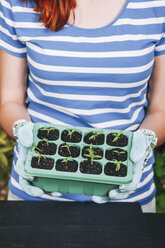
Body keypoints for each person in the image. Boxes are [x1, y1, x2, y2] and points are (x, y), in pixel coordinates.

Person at [0, 0, 165, 212]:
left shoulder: (157, 5)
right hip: (37, 192)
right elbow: (9, 101)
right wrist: (21, 130)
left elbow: (161, 109)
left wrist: (145, 141)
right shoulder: (17, 4)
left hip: (127, 199)